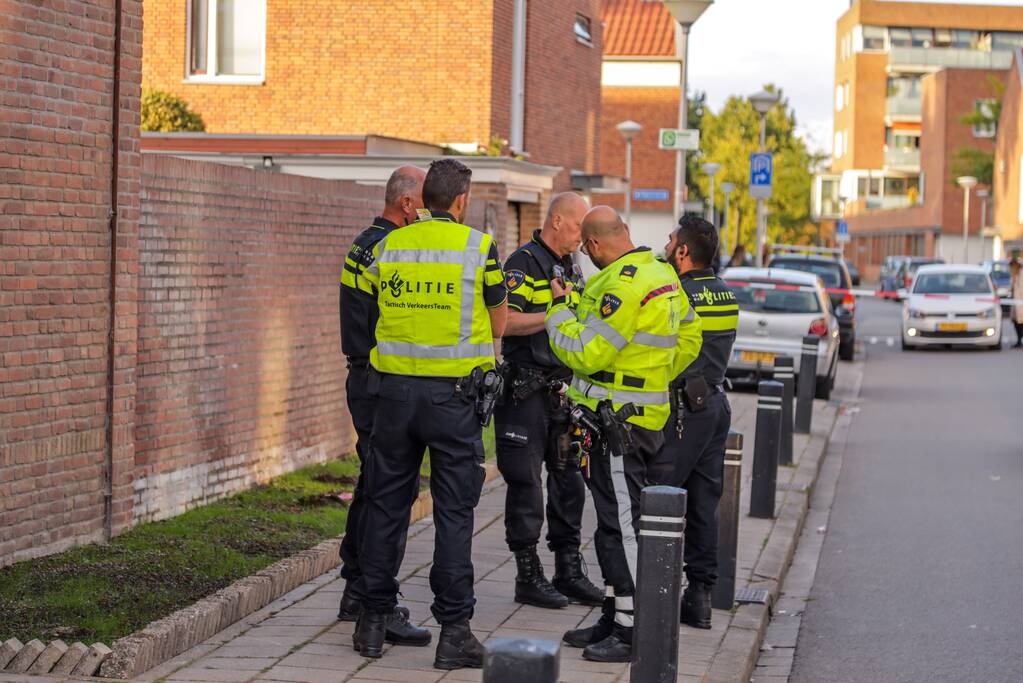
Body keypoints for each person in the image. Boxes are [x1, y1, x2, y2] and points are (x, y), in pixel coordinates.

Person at [352, 159, 508, 671]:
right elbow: (497, 317)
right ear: (461, 201)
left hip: (393, 395)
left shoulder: (387, 246)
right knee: (454, 513)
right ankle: (455, 633)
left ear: (423, 200)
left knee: (385, 505)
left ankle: (372, 623)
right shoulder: (479, 248)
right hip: (453, 401)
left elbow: (374, 300)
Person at [546, 206, 703, 663]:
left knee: (622, 528)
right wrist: (649, 377)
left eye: (585, 248)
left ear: (594, 244)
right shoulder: (660, 271)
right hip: (645, 418)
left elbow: (586, 351)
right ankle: (615, 614)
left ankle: (635, 630)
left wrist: (558, 311)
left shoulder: (620, 284)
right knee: (617, 523)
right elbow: (690, 337)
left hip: (617, 424)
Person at [495, 192, 603, 610]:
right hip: (526, 391)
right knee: (525, 485)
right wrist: (553, 313)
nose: (583, 237)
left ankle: (568, 569)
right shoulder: (523, 264)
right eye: (579, 227)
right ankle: (527, 573)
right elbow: (503, 323)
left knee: (570, 483)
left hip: (562, 392)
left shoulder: (572, 265)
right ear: (557, 221)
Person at [336, 166, 426, 641]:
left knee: (374, 482)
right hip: (379, 381)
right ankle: (374, 596)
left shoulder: (365, 241)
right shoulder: (392, 249)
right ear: (408, 204)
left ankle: (355, 584)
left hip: (363, 375)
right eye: (424, 203)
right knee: (389, 490)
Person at [660, 215, 738, 630]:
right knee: (704, 505)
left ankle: (655, 594)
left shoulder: (676, 295)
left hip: (678, 411)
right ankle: (701, 597)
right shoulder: (726, 295)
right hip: (714, 406)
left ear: (684, 251)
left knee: (660, 501)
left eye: (671, 240)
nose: (667, 245)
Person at [1010, 253, 1023, 347]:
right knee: (1015, 321)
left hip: (1021, 304)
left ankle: (1021, 340)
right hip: (1015, 303)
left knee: (1021, 322)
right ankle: (1019, 340)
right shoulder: (1014, 275)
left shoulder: (1021, 274)